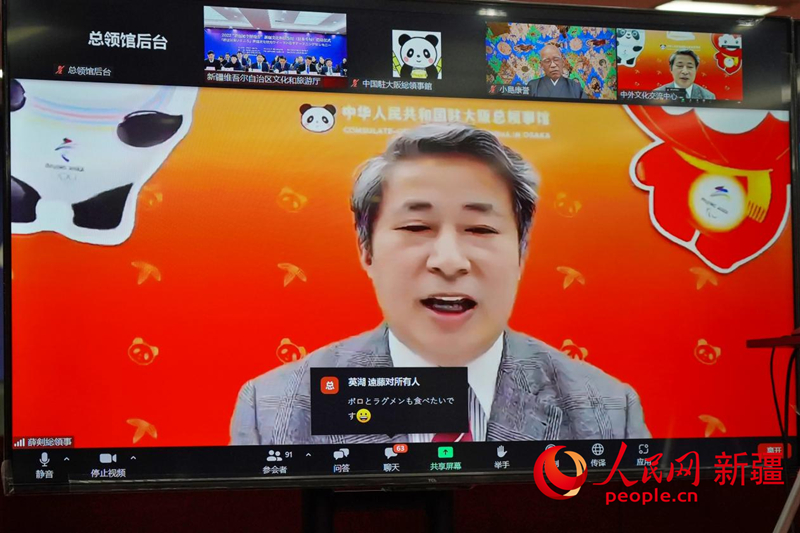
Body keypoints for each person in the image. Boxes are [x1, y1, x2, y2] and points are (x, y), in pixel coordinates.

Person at [230, 123, 650, 445]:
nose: (449, 262)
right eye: (416, 226)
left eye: (480, 229)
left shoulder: (609, 410)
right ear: (366, 250)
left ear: (522, 252)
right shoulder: (274, 409)